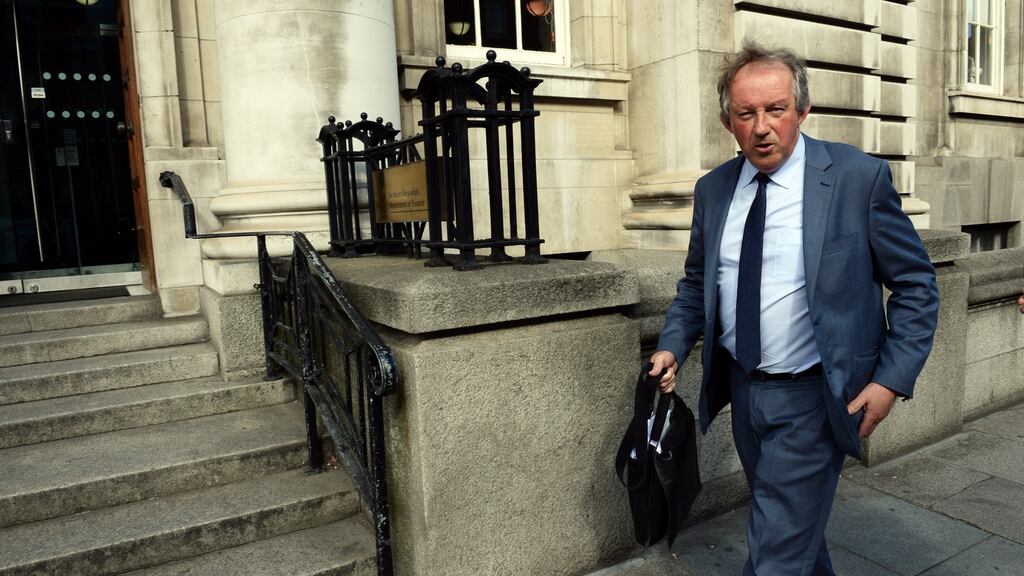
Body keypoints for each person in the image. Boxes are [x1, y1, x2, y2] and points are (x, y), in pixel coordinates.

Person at [650, 42, 939, 576]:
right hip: (742, 390)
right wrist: (672, 343)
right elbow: (697, 283)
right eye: (746, 113)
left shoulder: (857, 178)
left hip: (817, 395)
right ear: (727, 122)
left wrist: (892, 378)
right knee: (792, 529)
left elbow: (917, 284)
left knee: (775, 554)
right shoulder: (713, 190)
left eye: (776, 110)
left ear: (802, 111)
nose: (762, 127)